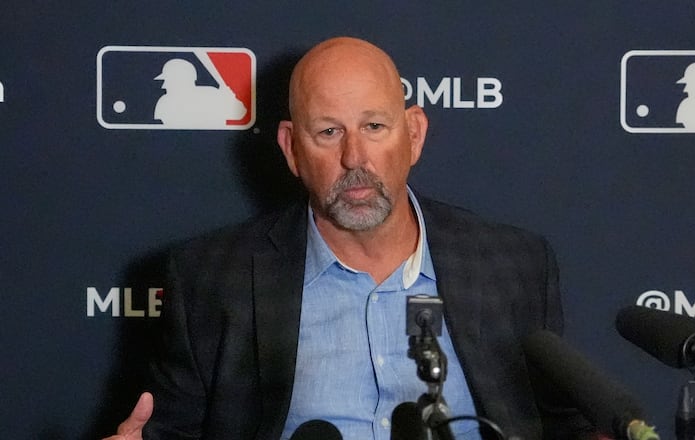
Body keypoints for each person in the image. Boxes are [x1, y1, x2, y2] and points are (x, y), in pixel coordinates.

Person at [105, 36, 595, 440]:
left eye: (374, 126)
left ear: (415, 134)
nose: (355, 157)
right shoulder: (210, 280)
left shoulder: (514, 266)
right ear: (291, 150)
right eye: (328, 132)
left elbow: (561, 427)